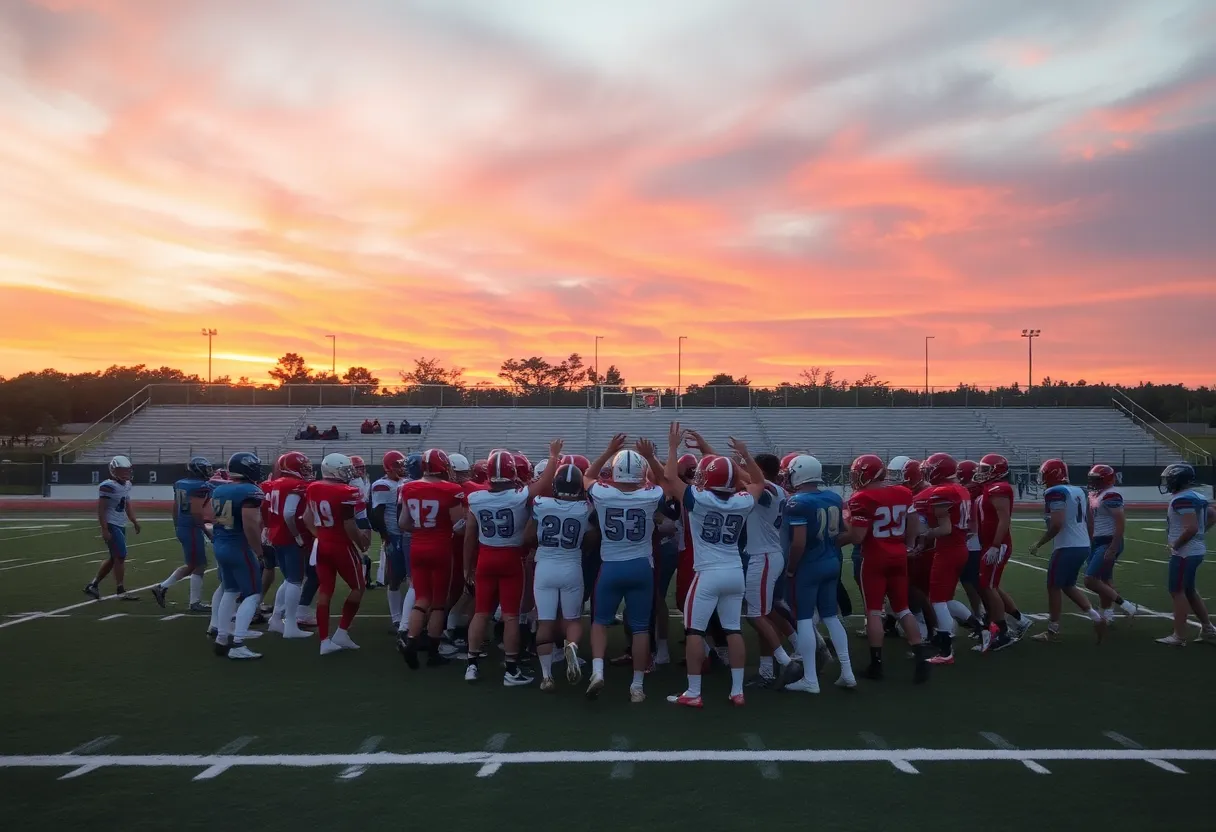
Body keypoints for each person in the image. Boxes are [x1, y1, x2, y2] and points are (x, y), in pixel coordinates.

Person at [463, 442, 563, 686]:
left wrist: (467, 567)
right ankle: (510, 669)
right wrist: (552, 457)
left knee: (481, 613)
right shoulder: (519, 496)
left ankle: (471, 665)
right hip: (510, 558)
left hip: (485, 558)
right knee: (510, 616)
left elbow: (469, 535)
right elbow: (546, 482)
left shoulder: (475, 497)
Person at [581, 432, 667, 703]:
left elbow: (587, 475)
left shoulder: (603, 494)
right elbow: (664, 479)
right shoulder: (652, 495)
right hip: (642, 566)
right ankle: (637, 686)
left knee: (599, 623)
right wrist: (652, 457)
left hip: (611, 567)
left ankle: (597, 672)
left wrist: (608, 451)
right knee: (641, 627)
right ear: (642, 473)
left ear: (614, 471)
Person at [839, 454, 931, 683]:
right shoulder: (903, 492)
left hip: (875, 558)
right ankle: (921, 658)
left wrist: (835, 540)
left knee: (873, 611)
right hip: (899, 555)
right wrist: (908, 544)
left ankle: (876, 665)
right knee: (903, 609)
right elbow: (914, 523)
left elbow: (858, 537)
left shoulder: (862, 497)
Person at [781, 454, 854, 692]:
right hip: (831, 560)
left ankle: (810, 679)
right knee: (831, 617)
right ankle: (847, 672)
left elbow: (799, 543)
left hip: (809, 565)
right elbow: (847, 531)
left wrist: (791, 568)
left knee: (803, 619)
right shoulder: (833, 496)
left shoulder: (797, 502)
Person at [398, 449, 468, 669]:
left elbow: (403, 522)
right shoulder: (452, 489)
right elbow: (459, 527)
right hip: (440, 547)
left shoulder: (408, 487)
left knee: (421, 599)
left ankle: (410, 641)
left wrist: (422, 530)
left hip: (417, 546)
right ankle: (433, 652)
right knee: (438, 603)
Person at [527, 463, 594, 690]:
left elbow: (528, 535)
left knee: (545, 621)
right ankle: (572, 646)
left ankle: (546, 676)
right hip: (571, 566)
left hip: (545, 566)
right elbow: (591, 538)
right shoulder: (586, 508)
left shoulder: (540, 504)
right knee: (572, 620)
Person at [303, 453, 371, 655]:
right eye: (344, 468)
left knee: (325, 590)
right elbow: (349, 524)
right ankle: (341, 632)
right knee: (358, 587)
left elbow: (307, 517)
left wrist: (320, 535)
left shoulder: (313, 487)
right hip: (341, 545)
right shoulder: (348, 491)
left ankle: (324, 641)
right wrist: (361, 543)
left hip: (322, 543)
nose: (349, 472)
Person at [1030, 459, 1105, 643]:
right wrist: (1088, 541)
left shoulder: (1055, 492)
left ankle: (1052, 629)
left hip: (1067, 546)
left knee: (1053, 586)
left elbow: (1057, 523)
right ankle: (1095, 616)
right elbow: (1090, 520)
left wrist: (1039, 543)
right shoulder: (1080, 490)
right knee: (1068, 584)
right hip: (1082, 544)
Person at [914, 453, 973, 665]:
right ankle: (983, 629)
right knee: (944, 599)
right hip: (960, 547)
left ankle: (946, 651)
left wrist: (925, 533)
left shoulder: (942, 491)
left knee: (937, 601)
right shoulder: (961, 489)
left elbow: (945, 529)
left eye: (930, 468)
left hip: (948, 550)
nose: (927, 472)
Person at [208, 452, 266, 660]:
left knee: (230, 591)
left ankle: (222, 637)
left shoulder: (220, 489)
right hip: (238, 546)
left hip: (222, 543)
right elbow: (250, 524)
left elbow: (220, 520)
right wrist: (259, 551)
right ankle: (238, 643)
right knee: (252, 594)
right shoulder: (250, 490)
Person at [972, 453, 1032, 651]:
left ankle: (1002, 632)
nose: (981, 473)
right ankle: (1016, 622)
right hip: (989, 543)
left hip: (996, 544)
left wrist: (996, 545)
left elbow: (1004, 519)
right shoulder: (989, 488)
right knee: (991, 585)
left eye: (985, 469)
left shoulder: (999, 489)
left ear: (996, 470)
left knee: (988, 587)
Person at [1156, 462, 1216, 645]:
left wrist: (1176, 543)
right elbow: (1212, 515)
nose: (1167, 482)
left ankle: (1179, 635)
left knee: (1177, 591)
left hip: (1185, 552)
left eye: (1169, 479)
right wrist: (1199, 534)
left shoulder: (1182, 498)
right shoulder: (1195, 495)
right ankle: (1207, 629)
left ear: (1178, 479)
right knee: (1188, 590)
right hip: (1194, 550)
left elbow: (1191, 527)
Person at [261, 451, 315, 638]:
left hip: (277, 535)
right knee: (295, 580)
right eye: (303, 466)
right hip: (289, 536)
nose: (307, 470)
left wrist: (268, 528)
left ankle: (276, 619)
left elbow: (266, 509)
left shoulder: (275, 484)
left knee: (288, 579)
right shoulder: (296, 485)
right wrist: (298, 536)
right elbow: (289, 513)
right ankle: (290, 625)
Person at [152, 456, 213, 611]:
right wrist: (207, 532)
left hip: (183, 526)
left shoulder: (181, 483)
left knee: (197, 564)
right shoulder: (200, 486)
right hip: (192, 528)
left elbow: (175, 507)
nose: (208, 472)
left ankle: (193, 601)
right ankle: (164, 587)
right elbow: (196, 513)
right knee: (196, 565)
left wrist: (177, 525)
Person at [1084, 464, 1138, 626]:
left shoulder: (1111, 495)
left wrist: (1113, 547)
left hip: (1108, 540)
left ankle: (1125, 604)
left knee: (1090, 579)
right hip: (1097, 541)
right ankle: (1106, 614)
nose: (1093, 482)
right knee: (1105, 580)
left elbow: (1120, 522)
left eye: (1096, 479)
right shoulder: (1097, 494)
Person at [83, 455, 142, 601]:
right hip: (111, 524)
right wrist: (104, 529)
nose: (125, 473)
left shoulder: (127, 484)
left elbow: (127, 503)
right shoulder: (107, 486)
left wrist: (134, 520)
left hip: (120, 523)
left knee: (114, 557)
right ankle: (120, 589)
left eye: (127, 470)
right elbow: (101, 509)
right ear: (114, 470)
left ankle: (93, 585)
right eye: (121, 470)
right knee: (120, 555)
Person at [371, 450, 409, 630]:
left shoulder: (405, 482)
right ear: (388, 467)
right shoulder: (382, 485)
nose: (401, 468)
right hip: (394, 534)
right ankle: (396, 618)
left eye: (402, 464)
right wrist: (386, 537)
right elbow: (377, 514)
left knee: (411, 577)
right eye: (397, 465)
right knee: (395, 577)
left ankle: (408, 616)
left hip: (407, 535)